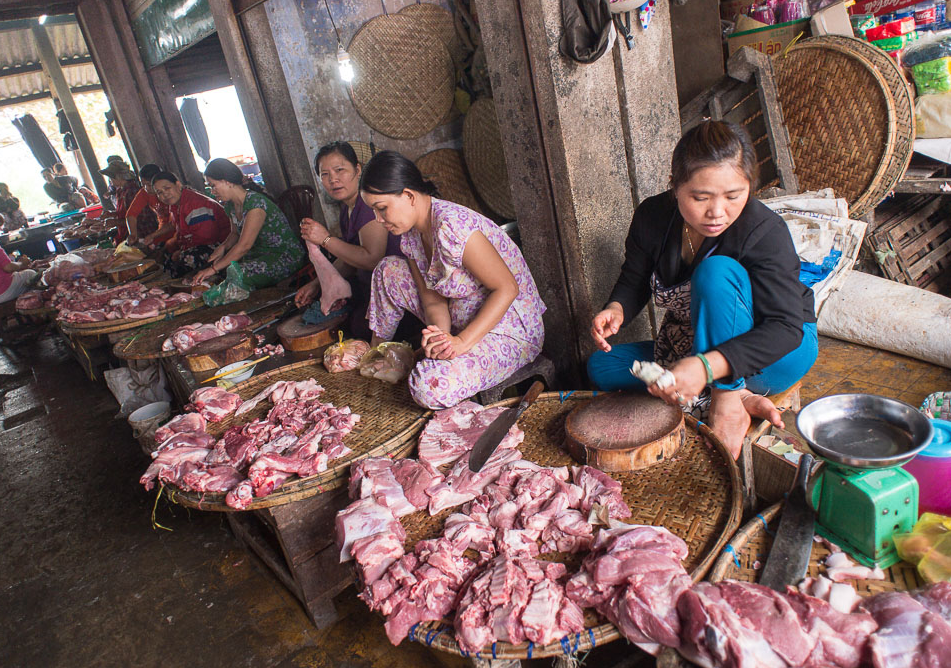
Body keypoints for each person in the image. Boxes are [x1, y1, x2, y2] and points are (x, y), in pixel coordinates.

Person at [587, 120, 818, 458]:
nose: (717, 212)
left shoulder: (765, 232)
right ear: (674, 187)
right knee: (601, 366)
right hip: (699, 341)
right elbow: (634, 278)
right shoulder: (652, 217)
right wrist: (618, 308)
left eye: (733, 196)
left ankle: (726, 397)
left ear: (749, 188)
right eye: (700, 197)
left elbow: (784, 329)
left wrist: (706, 367)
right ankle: (735, 394)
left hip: (776, 352)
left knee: (715, 272)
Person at [360, 151, 546, 409]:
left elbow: (507, 288)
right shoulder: (411, 236)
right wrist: (442, 341)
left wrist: (460, 343)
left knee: (429, 385)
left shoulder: (452, 226)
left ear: (409, 196)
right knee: (388, 270)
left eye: (382, 209)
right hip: (461, 321)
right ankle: (380, 354)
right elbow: (433, 303)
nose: (379, 220)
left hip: (508, 329)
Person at [296, 142, 403, 340]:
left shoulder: (367, 204)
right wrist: (316, 284)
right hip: (370, 286)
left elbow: (372, 259)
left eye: (340, 170)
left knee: (355, 327)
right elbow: (349, 257)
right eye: (325, 174)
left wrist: (326, 239)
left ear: (357, 169)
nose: (333, 180)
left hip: (395, 291)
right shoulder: (347, 209)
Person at [189, 158, 307, 290]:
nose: (212, 191)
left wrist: (213, 269)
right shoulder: (231, 206)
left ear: (227, 181)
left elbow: (244, 245)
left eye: (213, 185)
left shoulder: (255, 204)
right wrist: (222, 247)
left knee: (238, 274)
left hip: (283, 255)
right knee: (227, 269)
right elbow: (234, 233)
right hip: (260, 254)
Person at [151, 172, 233, 279]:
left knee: (185, 259)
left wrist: (181, 251)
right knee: (167, 255)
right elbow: (182, 234)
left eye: (167, 188)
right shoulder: (175, 206)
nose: (164, 194)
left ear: (178, 185)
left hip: (222, 245)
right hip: (201, 244)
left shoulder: (194, 203)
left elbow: (206, 237)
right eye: (159, 192)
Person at [126, 164, 174, 249]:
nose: (145, 188)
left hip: (178, 231)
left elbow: (174, 223)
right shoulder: (144, 193)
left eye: (148, 184)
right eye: (142, 184)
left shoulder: (170, 192)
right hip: (161, 232)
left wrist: (153, 235)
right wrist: (133, 234)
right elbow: (131, 214)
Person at [100, 159, 141, 244]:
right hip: (124, 233)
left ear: (119, 177)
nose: (110, 181)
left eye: (111, 178)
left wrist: (115, 222)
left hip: (137, 236)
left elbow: (137, 220)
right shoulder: (120, 190)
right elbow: (125, 212)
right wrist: (112, 214)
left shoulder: (132, 191)